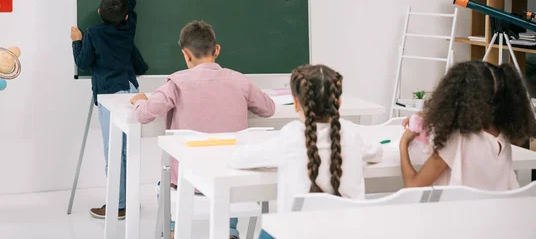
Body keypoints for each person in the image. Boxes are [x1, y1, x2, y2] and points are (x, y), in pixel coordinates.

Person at [130, 20, 275, 239]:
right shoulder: (240, 81)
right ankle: (229, 231)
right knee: (225, 174)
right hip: (230, 183)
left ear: (186, 55)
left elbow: (143, 114)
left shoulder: (176, 83)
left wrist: (140, 100)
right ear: (216, 50)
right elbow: (268, 108)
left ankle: (172, 231)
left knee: (166, 178)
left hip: (187, 182)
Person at [229, 64, 383, 231]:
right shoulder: (352, 133)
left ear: (296, 103)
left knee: (271, 228)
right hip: (349, 233)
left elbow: (238, 159)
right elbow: (377, 153)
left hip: (294, 233)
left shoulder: (290, 136)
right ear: (338, 102)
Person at [71, 0, 148, 220]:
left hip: (109, 97)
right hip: (130, 90)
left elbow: (83, 62)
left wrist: (75, 40)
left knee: (113, 151)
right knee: (127, 149)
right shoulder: (129, 26)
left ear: (98, 11)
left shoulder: (92, 33)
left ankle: (118, 206)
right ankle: (126, 200)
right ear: (126, 16)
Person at [399, 61, 535, 190]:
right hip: (494, 212)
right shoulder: (502, 136)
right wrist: (428, 116)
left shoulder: (457, 139)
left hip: (458, 213)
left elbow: (412, 186)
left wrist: (403, 143)